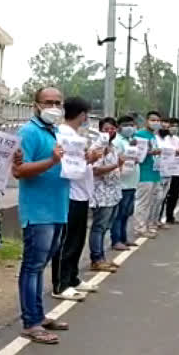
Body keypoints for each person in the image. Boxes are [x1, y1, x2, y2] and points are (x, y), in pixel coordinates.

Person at [12, 87, 70, 345]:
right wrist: (51, 162)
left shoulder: (56, 132)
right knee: (32, 266)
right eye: (48, 102)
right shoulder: (29, 132)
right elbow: (19, 170)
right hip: (38, 212)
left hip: (58, 208)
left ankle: (38, 315)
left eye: (58, 102)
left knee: (40, 266)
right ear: (36, 105)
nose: (53, 107)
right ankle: (31, 323)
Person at [50, 96, 101, 301]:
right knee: (67, 241)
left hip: (81, 193)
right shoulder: (62, 133)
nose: (86, 119)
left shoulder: (76, 136)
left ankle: (72, 277)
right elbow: (66, 163)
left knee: (77, 239)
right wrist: (87, 158)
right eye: (86, 115)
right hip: (69, 193)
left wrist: (88, 158)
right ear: (82, 115)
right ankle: (60, 284)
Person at [88, 118, 124, 271]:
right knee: (99, 226)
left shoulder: (113, 147)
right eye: (106, 129)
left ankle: (101, 257)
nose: (110, 132)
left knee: (105, 227)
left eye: (112, 129)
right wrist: (116, 165)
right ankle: (96, 258)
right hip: (101, 193)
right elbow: (95, 170)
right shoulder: (98, 147)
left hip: (113, 192)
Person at [110, 115, 140, 250]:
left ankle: (124, 238)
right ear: (119, 127)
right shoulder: (117, 141)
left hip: (132, 182)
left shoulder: (131, 141)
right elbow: (116, 159)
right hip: (121, 183)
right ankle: (116, 240)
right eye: (126, 124)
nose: (130, 127)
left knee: (127, 213)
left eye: (131, 125)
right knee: (119, 214)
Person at [132, 111, 163, 239]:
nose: (155, 123)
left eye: (157, 121)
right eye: (153, 120)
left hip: (154, 172)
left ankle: (146, 225)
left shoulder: (153, 136)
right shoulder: (140, 135)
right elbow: (138, 154)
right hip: (144, 173)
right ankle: (139, 228)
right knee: (142, 202)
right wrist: (151, 152)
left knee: (152, 201)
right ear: (147, 121)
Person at [157, 117, 179, 225]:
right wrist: (176, 151)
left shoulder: (177, 139)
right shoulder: (162, 138)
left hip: (176, 170)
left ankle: (170, 217)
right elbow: (166, 151)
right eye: (172, 125)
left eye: (176, 126)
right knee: (161, 196)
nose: (174, 128)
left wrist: (176, 152)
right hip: (164, 170)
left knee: (174, 194)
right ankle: (158, 219)